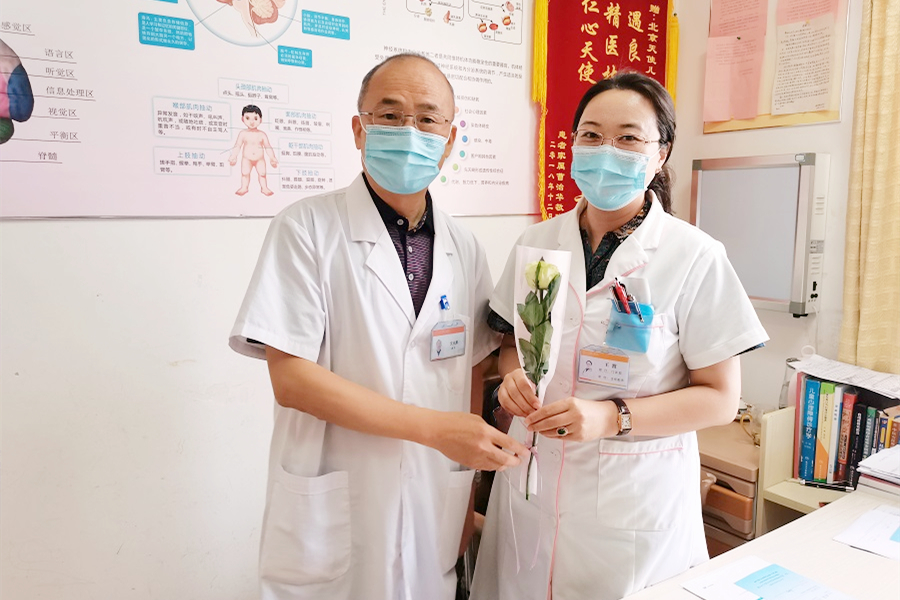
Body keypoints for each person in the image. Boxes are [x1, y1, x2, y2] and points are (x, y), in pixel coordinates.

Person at [229, 53, 528, 600]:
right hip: (336, 500)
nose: (409, 131)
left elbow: (471, 370)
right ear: (358, 129)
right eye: (389, 115)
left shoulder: (464, 248)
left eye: (427, 119)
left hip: (432, 501)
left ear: (450, 140)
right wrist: (432, 430)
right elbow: (291, 379)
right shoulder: (305, 228)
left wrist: (463, 493)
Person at [470, 72, 769, 600]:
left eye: (628, 137)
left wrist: (613, 417)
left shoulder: (694, 256)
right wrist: (513, 376)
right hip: (530, 481)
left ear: (660, 154)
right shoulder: (537, 241)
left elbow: (720, 399)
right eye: (591, 135)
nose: (605, 150)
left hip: (634, 501)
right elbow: (512, 343)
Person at [229, 104, 278, 196]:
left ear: (260, 120)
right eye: (248, 118)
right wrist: (234, 156)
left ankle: (264, 188)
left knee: (262, 174)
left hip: (260, 159)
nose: (252, 122)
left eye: (255, 118)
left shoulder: (262, 134)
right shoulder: (243, 133)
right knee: (245, 173)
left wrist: (272, 158)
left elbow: (268, 146)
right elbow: (238, 145)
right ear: (243, 119)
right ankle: (244, 187)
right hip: (247, 158)